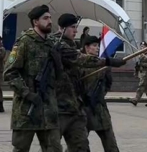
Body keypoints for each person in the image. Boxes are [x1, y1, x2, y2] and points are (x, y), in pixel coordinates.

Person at [51, 13, 124, 149]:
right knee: (52, 147)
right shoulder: (56, 44)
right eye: (73, 27)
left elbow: (107, 84)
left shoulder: (69, 45)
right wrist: (109, 61)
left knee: (81, 146)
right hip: (59, 106)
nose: (76, 30)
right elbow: (79, 58)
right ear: (62, 28)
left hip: (76, 106)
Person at [4, 4, 61, 151]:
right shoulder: (24, 42)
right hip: (26, 110)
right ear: (36, 22)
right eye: (45, 18)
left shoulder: (52, 44)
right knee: (21, 149)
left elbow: (59, 76)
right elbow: (10, 73)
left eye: (50, 18)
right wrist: (27, 93)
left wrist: (58, 62)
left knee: (54, 148)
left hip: (48, 110)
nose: (50, 21)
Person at [80, 35, 118, 152]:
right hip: (84, 109)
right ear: (86, 47)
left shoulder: (103, 65)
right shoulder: (80, 63)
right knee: (79, 145)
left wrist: (100, 95)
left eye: (98, 46)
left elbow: (108, 83)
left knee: (110, 143)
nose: (97, 48)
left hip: (100, 108)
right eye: (94, 46)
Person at [129, 42, 147, 106]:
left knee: (141, 85)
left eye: (143, 46)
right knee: (146, 87)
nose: (141, 47)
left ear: (146, 47)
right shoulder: (141, 54)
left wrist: (142, 64)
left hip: (146, 72)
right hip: (142, 71)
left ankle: (136, 99)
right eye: (141, 46)